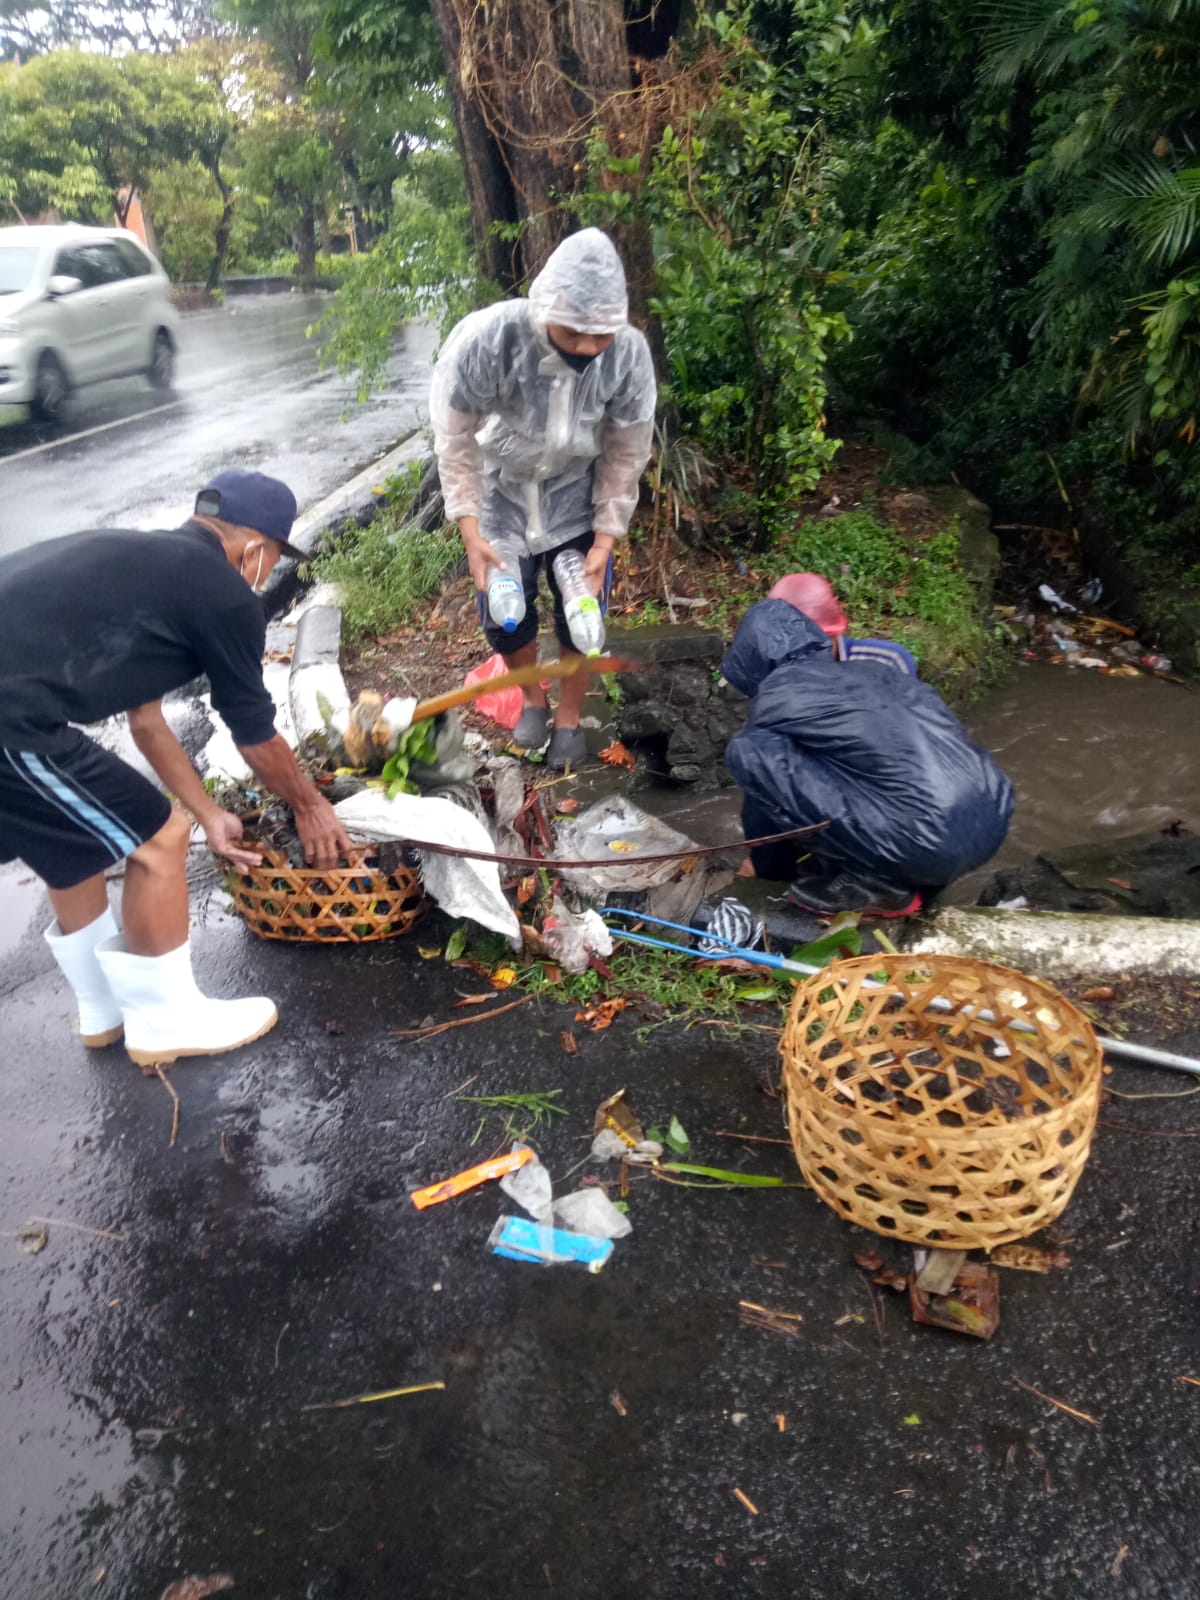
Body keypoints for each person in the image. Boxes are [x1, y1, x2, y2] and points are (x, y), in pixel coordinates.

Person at [0, 469, 353, 1066]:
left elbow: (146, 720)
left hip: (15, 711)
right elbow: (255, 732)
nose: (267, 573)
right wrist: (310, 805)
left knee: (71, 844)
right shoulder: (224, 594)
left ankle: (102, 1011)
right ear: (255, 550)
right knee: (159, 838)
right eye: (272, 559)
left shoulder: (150, 568)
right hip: (12, 720)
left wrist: (210, 813)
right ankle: (165, 1022)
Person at [430, 227, 657, 768]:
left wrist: (606, 538)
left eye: (599, 334)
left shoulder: (626, 355)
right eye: (573, 331)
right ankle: (533, 699)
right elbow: (455, 436)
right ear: (545, 306)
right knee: (503, 612)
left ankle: (571, 719)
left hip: (575, 494)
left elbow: (627, 451)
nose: (585, 347)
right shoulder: (493, 340)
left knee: (583, 614)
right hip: (501, 492)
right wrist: (469, 528)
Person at [722, 586, 1014, 917]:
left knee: (747, 752)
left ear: (749, 662)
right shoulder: (877, 672)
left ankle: (876, 885)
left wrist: (767, 872)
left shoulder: (778, 699)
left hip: (927, 842)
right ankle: (915, 883)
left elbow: (766, 808)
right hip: (991, 814)